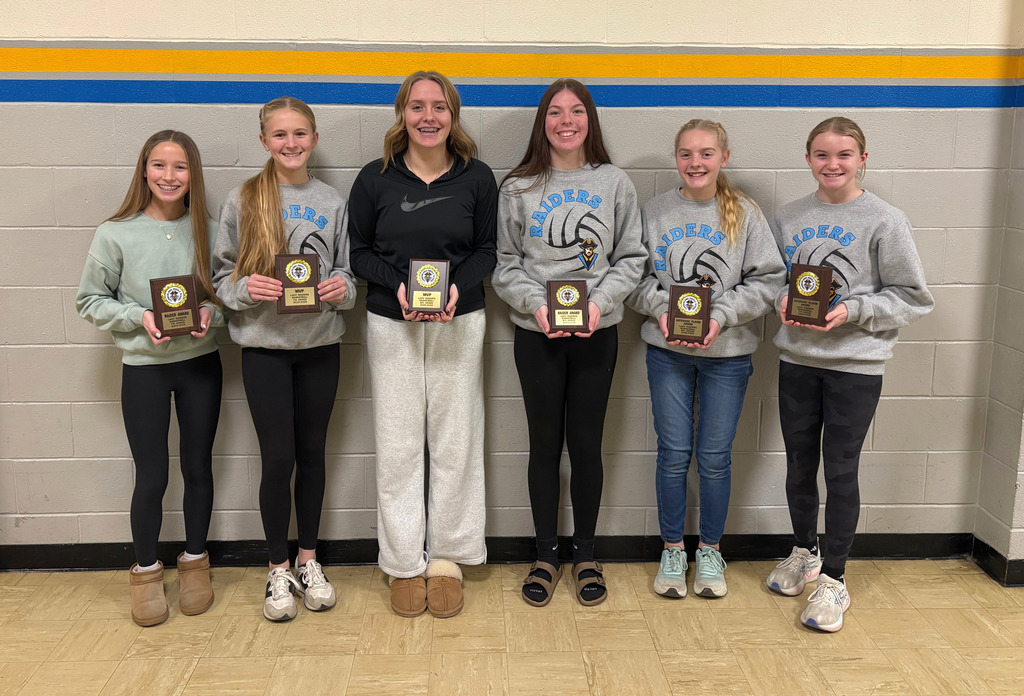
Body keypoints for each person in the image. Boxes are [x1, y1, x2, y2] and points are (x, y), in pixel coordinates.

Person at [765, 117, 933, 632]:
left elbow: (912, 297)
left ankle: (834, 579)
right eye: (821, 154)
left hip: (855, 367)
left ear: (863, 159)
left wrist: (853, 311)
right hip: (797, 360)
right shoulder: (789, 216)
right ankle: (804, 553)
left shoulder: (886, 219)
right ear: (808, 159)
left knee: (839, 471)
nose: (831, 164)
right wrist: (783, 302)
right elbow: (772, 281)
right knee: (797, 465)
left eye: (843, 155)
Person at [348, 70, 497, 619]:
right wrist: (399, 286)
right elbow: (359, 254)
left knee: (457, 440)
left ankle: (450, 558)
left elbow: (487, 251)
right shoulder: (375, 179)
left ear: (452, 114)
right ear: (402, 114)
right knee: (399, 443)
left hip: (461, 320)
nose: (428, 117)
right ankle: (404, 560)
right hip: (393, 323)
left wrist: (456, 287)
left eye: (439, 106)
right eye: (417, 107)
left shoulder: (478, 178)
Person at [492, 78, 646, 607]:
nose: (566, 121)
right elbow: (505, 265)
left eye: (576, 112)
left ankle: (585, 553)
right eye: (555, 112)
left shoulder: (615, 183)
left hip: (596, 335)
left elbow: (631, 259)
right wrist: (538, 306)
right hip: (537, 335)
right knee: (542, 447)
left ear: (589, 120)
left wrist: (598, 305)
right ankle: (544, 554)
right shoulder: (517, 187)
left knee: (585, 446)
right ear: (543, 122)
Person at [627, 119, 785, 600]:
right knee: (673, 456)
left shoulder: (745, 213)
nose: (696, 163)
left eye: (706, 154)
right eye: (687, 154)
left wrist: (721, 317)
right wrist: (662, 310)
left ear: (724, 157)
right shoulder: (653, 212)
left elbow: (767, 279)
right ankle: (673, 550)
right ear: (676, 158)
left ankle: (710, 550)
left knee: (714, 459)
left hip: (728, 356)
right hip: (667, 354)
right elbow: (634, 278)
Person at [212, 96, 357, 622]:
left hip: (320, 347)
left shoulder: (333, 201)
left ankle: (309, 560)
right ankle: (277, 567)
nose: (290, 143)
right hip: (265, 350)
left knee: (313, 455)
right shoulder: (243, 200)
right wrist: (250, 286)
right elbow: (222, 280)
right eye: (280, 135)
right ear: (264, 142)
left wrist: (343, 288)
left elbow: (348, 278)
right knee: (277, 460)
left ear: (314, 139)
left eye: (300, 134)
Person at [77, 130, 224, 627]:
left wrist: (208, 314)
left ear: (193, 175)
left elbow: (226, 297)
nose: (169, 176)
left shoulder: (208, 228)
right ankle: (145, 571)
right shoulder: (114, 233)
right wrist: (139, 317)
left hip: (201, 365)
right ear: (144, 170)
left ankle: (196, 563)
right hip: (144, 370)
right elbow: (90, 301)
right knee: (153, 475)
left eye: (180, 167)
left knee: (199, 466)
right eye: (159, 166)